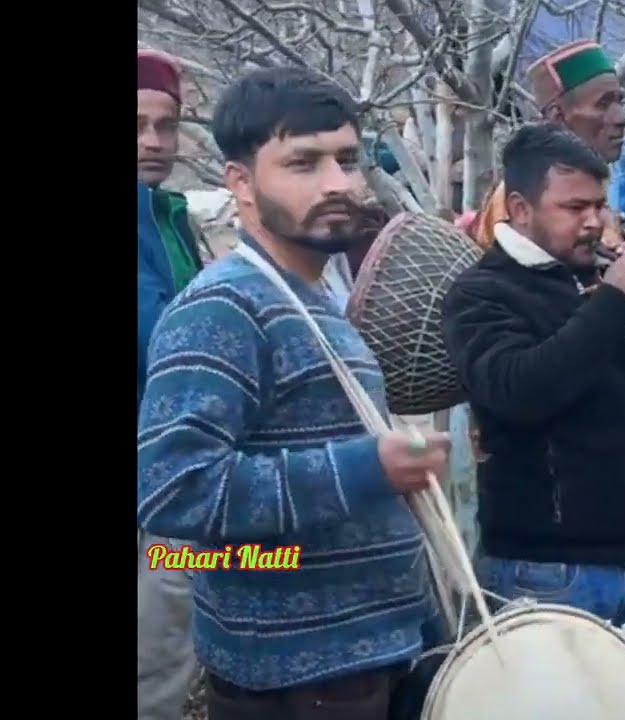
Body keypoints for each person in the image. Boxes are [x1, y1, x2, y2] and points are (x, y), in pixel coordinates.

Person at [136, 66, 451, 720]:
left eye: (346, 159)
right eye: (303, 163)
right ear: (240, 183)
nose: (338, 182)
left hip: (370, 658)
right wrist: (368, 467)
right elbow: (172, 489)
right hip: (298, 683)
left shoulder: (312, 296)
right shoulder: (222, 308)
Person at [441, 123, 625, 720]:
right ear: (520, 208)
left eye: (598, 205)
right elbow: (519, 390)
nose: (593, 221)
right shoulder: (482, 293)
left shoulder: (595, 274)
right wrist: (610, 303)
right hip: (546, 573)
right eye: (574, 207)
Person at [136, 47, 209, 720]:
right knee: (155, 666)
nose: (154, 143)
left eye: (166, 124)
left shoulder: (168, 218)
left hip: (168, 478)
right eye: (137, 125)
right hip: (155, 489)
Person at [469, 39, 625, 250]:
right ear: (557, 117)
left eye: (619, 102)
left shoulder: (583, 186)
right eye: (603, 104)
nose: (621, 118)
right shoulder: (521, 197)